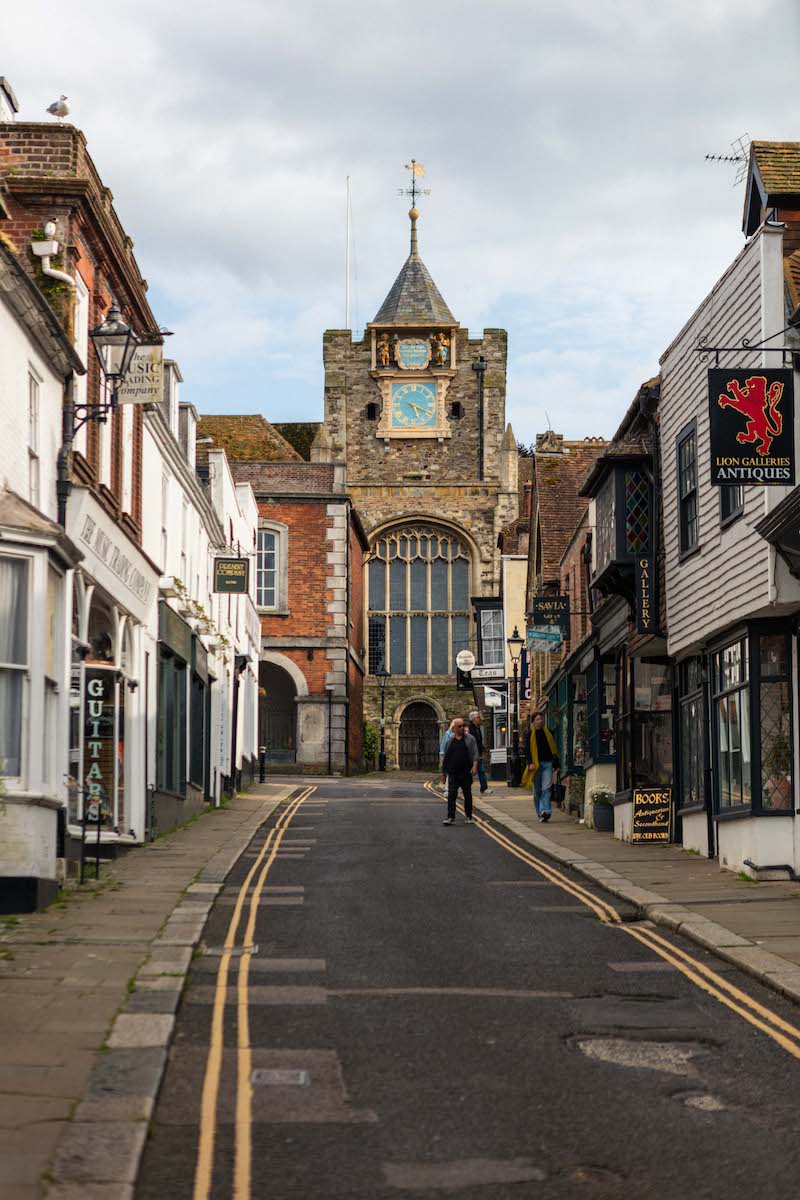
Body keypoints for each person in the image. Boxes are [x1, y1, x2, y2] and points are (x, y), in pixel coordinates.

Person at [440, 718, 478, 825]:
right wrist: (443, 773)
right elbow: (446, 758)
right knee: (452, 795)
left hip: (466, 772)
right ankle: (450, 817)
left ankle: (469, 815)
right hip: (453, 773)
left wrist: (474, 765)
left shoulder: (470, 739)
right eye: (459, 726)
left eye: (463, 726)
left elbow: (475, 753)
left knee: (467, 794)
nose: (462, 728)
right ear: (454, 728)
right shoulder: (450, 742)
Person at [527, 712, 559, 823]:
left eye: (541, 719)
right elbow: (528, 751)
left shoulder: (549, 733)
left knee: (547, 788)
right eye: (537, 719)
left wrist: (557, 765)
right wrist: (530, 762)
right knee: (537, 791)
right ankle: (540, 813)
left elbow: (554, 750)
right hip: (535, 765)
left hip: (548, 764)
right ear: (533, 722)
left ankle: (545, 811)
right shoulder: (530, 735)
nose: (540, 721)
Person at [465, 710, 493, 796]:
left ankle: (484, 789)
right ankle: (464, 788)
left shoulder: (477, 728)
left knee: (481, 771)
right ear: (473, 719)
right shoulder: (469, 727)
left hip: (477, 754)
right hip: (471, 754)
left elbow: (479, 741)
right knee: (468, 772)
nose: (479, 719)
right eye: (478, 717)